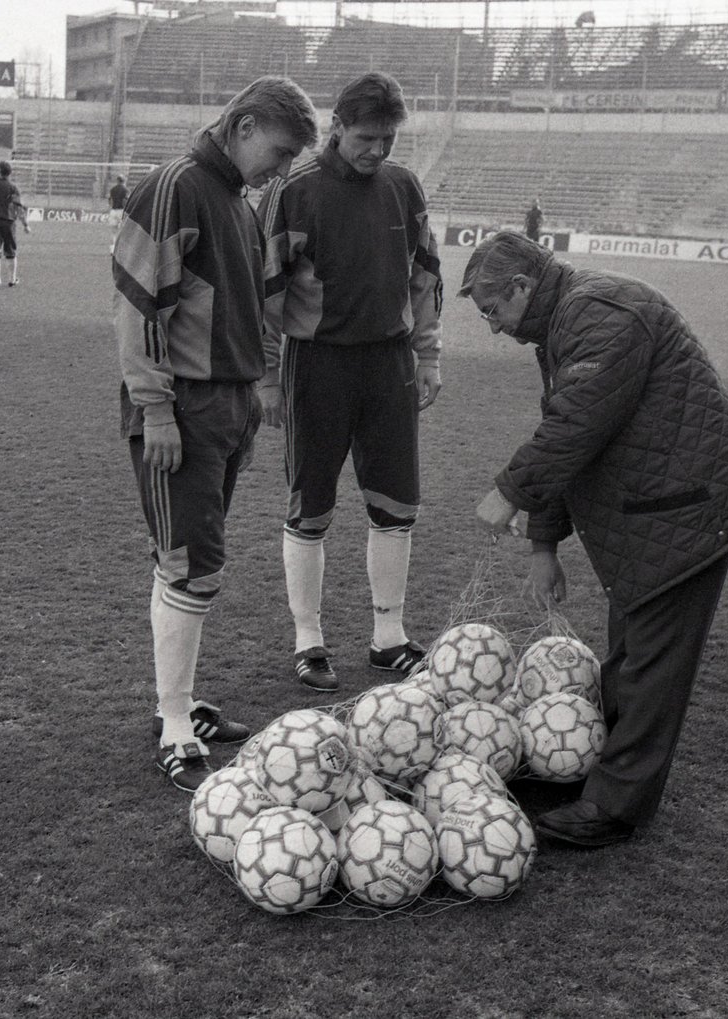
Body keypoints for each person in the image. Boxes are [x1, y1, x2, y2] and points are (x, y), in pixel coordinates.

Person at [463, 230, 728, 848]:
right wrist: (543, 544)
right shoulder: (569, 317)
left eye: (492, 310)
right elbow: (572, 428)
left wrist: (511, 491)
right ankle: (597, 773)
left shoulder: (600, 312)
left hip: (687, 511)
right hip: (658, 511)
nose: (493, 327)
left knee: (653, 667)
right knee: (629, 657)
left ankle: (614, 808)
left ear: (523, 286)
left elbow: (578, 421)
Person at [112, 76, 319, 792]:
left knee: (181, 560)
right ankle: (174, 724)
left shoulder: (238, 202)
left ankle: (181, 704)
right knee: (192, 565)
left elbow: (254, 310)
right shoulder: (175, 185)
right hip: (184, 408)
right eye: (280, 150)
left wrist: (255, 390)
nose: (281, 168)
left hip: (224, 410)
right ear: (245, 123)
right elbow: (139, 304)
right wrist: (157, 408)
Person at [257, 72, 443, 693]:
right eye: (367, 137)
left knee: (396, 505)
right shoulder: (295, 191)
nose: (378, 150)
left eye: (388, 139)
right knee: (310, 507)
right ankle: (308, 640)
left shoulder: (404, 188)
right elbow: (266, 289)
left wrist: (429, 356)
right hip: (318, 365)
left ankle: (388, 637)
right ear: (337, 126)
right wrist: (267, 378)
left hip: (389, 364)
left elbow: (424, 278)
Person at [0, 160, 30, 290]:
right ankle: (12, 280)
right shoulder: (13, 188)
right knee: (10, 252)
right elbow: (19, 207)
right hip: (8, 222)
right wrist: (25, 224)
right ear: (9, 173)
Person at [107, 174, 129, 254]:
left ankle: (112, 250)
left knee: (113, 232)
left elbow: (110, 200)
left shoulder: (112, 189)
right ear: (124, 181)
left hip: (113, 211)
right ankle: (122, 250)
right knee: (124, 231)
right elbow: (125, 201)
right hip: (121, 211)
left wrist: (111, 208)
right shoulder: (125, 190)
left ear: (117, 180)